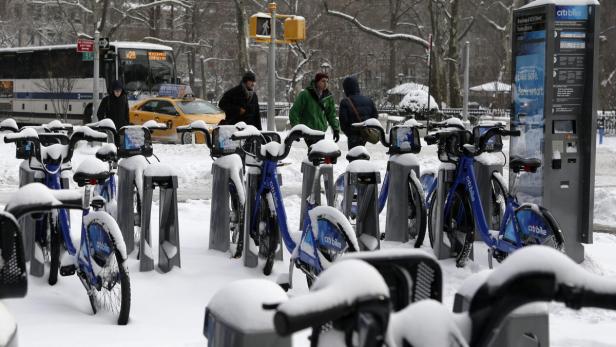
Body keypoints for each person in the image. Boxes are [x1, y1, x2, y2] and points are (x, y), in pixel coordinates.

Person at [289, 72, 340, 146]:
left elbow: (331, 114)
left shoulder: (328, 97)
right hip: (309, 131)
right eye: (323, 81)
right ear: (317, 82)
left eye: (327, 81)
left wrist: (336, 129)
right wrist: (296, 129)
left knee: (318, 153)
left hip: (321, 132)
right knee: (315, 152)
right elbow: (294, 112)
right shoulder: (305, 94)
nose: (325, 83)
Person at [338, 76, 378, 150]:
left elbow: (343, 122)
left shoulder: (345, 102)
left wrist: (350, 134)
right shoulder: (368, 100)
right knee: (363, 153)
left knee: (354, 156)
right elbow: (375, 116)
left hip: (353, 135)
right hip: (366, 134)